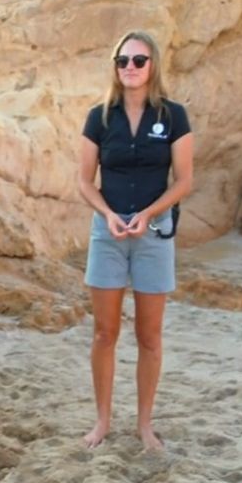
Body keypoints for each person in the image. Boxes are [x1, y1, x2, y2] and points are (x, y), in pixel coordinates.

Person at [77, 30, 194, 451]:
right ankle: (103, 421)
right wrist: (108, 214)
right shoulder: (99, 117)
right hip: (107, 232)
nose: (130, 67)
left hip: (154, 231)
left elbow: (184, 180)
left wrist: (147, 214)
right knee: (104, 333)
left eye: (138, 61)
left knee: (150, 336)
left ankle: (145, 425)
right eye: (122, 60)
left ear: (153, 65)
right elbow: (84, 181)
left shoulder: (174, 116)